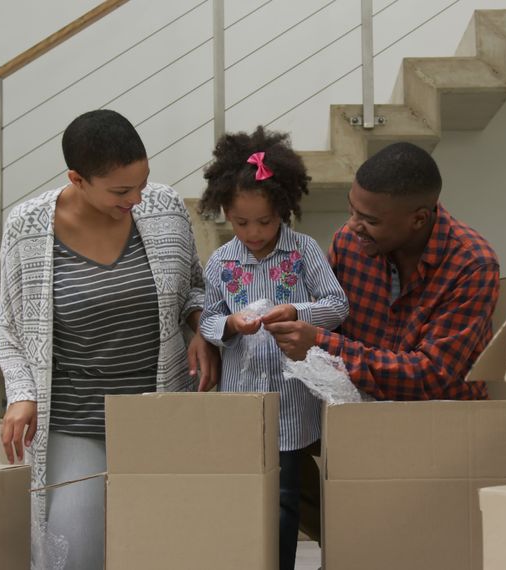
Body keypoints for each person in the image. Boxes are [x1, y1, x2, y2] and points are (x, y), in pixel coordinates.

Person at [0, 109, 219, 569]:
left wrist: (200, 325)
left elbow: (194, 287)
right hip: (76, 419)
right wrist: (21, 395)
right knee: (75, 552)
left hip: (160, 411)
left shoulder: (165, 207)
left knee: (164, 547)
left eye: (142, 183)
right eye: (121, 191)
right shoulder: (27, 227)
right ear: (77, 179)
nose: (137, 198)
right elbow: (11, 326)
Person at [197, 126, 349, 570]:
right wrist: (228, 323)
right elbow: (206, 318)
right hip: (240, 400)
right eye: (241, 222)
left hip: (291, 402)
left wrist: (295, 311)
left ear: (283, 210)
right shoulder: (221, 261)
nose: (254, 232)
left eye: (265, 221)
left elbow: (336, 304)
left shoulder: (303, 253)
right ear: (224, 211)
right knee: (243, 493)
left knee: (284, 498)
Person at [267, 141, 500, 400]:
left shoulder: (472, 265)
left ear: (419, 219)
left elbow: (431, 375)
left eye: (370, 220)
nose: (353, 225)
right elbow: (327, 318)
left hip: (444, 422)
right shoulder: (348, 242)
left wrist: (321, 344)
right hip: (363, 416)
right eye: (352, 210)